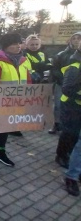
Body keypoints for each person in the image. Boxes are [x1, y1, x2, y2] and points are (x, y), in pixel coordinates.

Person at [0, 33, 32, 170]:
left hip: (15, 103)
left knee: (6, 127)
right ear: (6, 46)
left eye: (18, 43)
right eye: (13, 44)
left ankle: (0, 151)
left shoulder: (24, 61)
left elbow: (28, 80)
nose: (17, 46)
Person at [55, 34, 81, 169]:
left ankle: (70, 154)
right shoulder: (75, 66)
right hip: (71, 104)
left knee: (75, 134)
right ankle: (61, 155)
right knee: (69, 132)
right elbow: (67, 89)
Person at [51, 32, 81, 135]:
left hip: (77, 87)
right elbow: (55, 69)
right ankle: (56, 124)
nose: (76, 40)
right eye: (74, 38)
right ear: (70, 40)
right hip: (61, 84)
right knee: (58, 105)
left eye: (79, 38)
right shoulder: (61, 55)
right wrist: (65, 79)